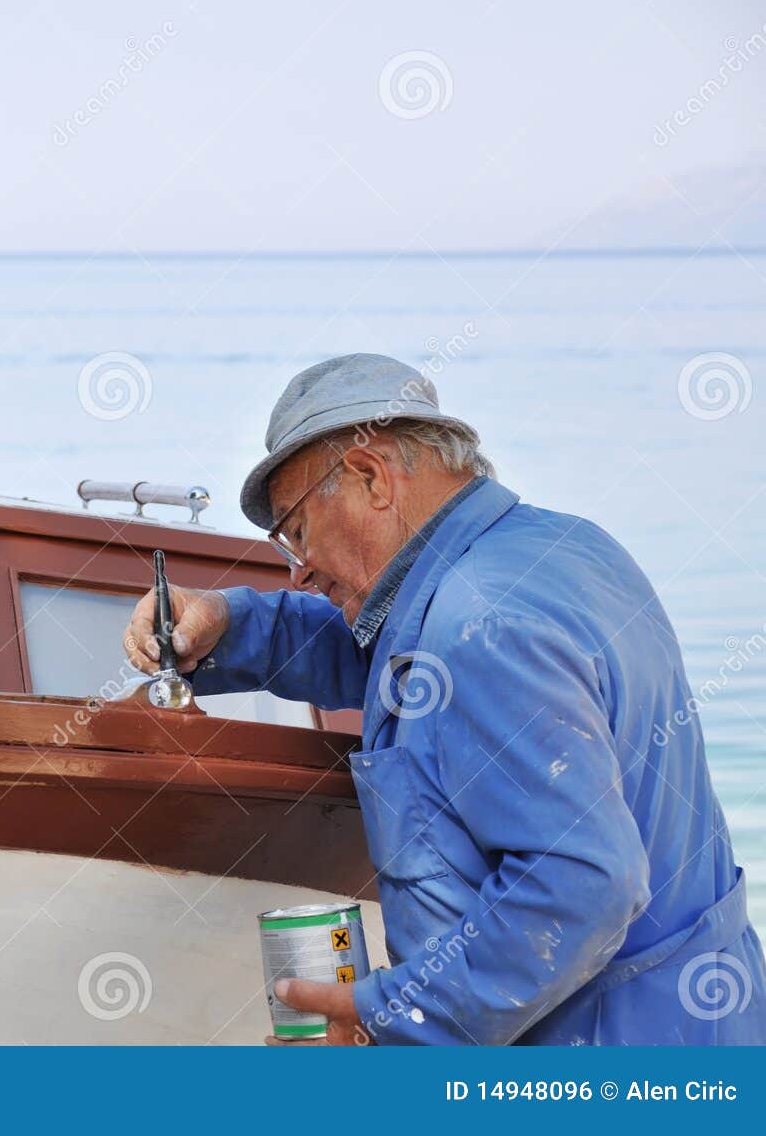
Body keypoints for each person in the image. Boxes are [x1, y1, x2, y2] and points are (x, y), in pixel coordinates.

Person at [124, 353, 766, 1045]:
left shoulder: (478, 626)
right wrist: (230, 623)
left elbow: (583, 886)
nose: (300, 568)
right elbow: (397, 662)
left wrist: (389, 1014)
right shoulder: (562, 548)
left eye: (297, 532)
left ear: (370, 477)